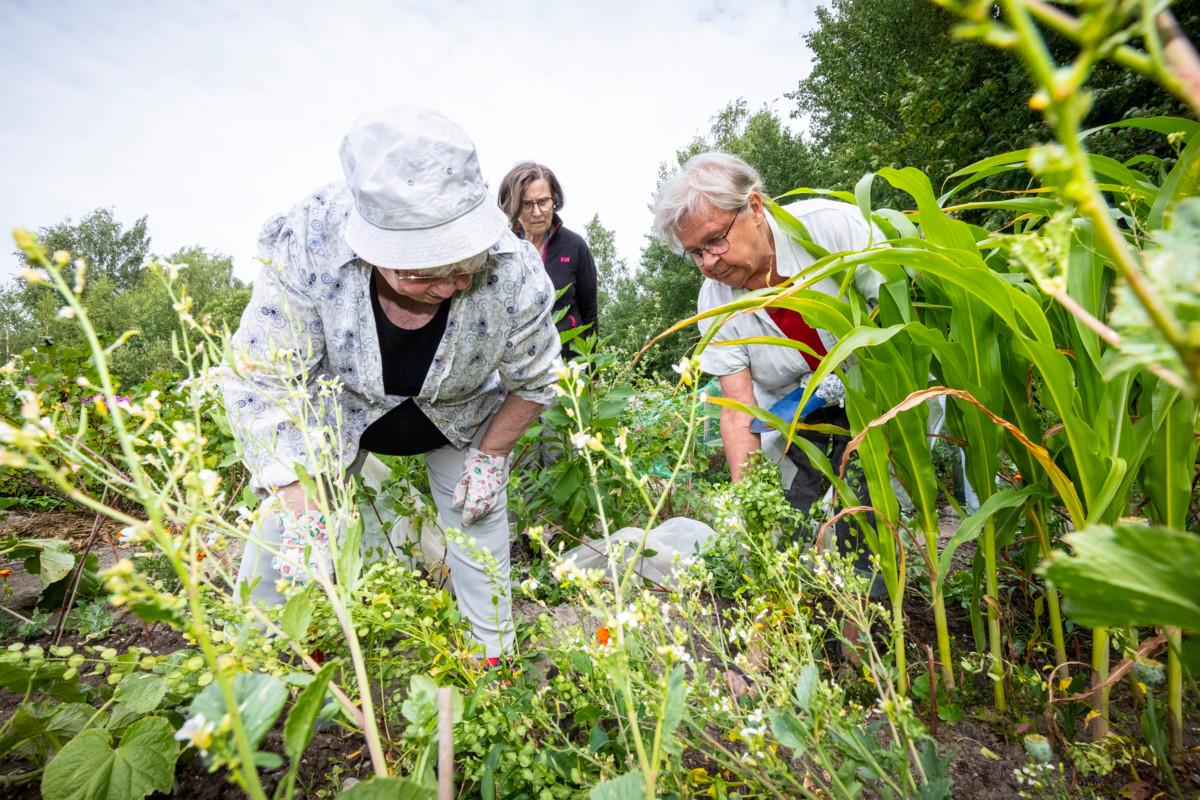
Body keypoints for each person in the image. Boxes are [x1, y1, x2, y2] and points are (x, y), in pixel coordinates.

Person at [222, 107, 563, 662]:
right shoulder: (312, 243)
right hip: (337, 408)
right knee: (287, 537)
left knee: (479, 525)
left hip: (460, 413)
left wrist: (491, 456)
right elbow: (264, 373)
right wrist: (294, 490)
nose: (448, 287)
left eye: (462, 268)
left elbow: (536, 377)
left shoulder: (515, 273)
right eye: (423, 273)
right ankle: (253, 664)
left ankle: (493, 665)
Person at [651, 152, 885, 590]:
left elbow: (904, 317)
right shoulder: (715, 301)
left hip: (882, 396)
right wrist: (747, 502)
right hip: (800, 412)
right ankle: (784, 613)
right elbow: (739, 408)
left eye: (715, 240)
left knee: (866, 517)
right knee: (788, 519)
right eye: (694, 253)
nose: (708, 263)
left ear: (754, 208)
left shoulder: (836, 230)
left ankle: (865, 631)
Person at [497, 162, 598, 359]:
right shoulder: (501, 251)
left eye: (543, 201)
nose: (537, 212)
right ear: (513, 206)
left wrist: (591, 373)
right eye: (527, 204)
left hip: (569, 364)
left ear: (554, 200)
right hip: (516, 365)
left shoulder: (575, 246)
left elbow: (589, 313)